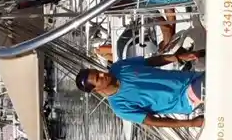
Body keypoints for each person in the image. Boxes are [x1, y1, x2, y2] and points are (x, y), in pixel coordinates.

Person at [75, 54, 203, 129]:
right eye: (98, 78)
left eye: (98, 72)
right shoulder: (120, 107)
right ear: (95, 89)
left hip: (190, 77)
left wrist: (179, 57)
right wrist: (191, 123)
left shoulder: (119, 67)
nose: (103, 74)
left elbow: (151, 61)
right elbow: (153, 121)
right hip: (186, 98)